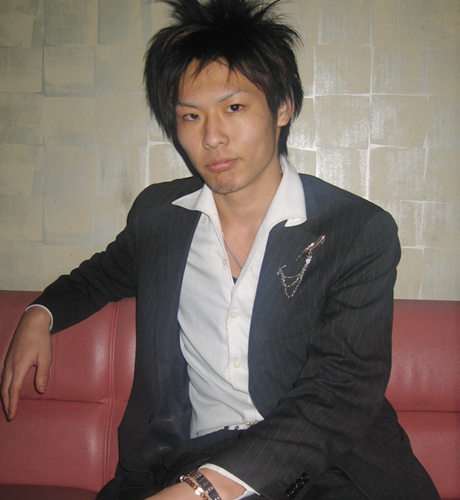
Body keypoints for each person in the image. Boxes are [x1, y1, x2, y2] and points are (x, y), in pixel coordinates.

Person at [1, 1, 440, 499]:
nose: (212, 137)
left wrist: (205, 492)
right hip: (192, 458)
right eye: (191, 115)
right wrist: (40, 314)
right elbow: (101, 275)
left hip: (324, 467)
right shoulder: (161, 217)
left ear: (282, 107)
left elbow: (337, 396)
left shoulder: (357, 231)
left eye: (234, 108)